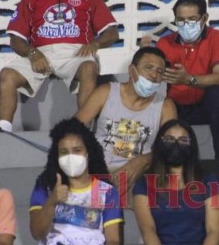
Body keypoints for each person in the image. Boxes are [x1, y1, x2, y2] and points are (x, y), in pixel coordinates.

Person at [0, 0, 119, 133]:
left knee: (89, 68)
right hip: (40, 53)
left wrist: (95, 43)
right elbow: (16, 39)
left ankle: (82, 129)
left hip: (75, 52)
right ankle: (3, 129)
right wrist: (33, 53)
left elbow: (111, 32)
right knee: (7, 74)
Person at [29, 118, 123, 245]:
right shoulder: (45, 187)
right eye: (64, 152)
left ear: (88, 152)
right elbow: (37, 232)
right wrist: (52, 200)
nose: (71, 156)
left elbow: (114, 243)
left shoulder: (105, 191)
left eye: (77, 150)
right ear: (56, 156)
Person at [132, 119, 219, 245]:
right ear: (159, 144)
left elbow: (214, 230)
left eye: (183, 140)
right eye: (169, 139)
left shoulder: (209, 181)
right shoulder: (144, 183)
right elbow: (147, 230)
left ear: (192, 146)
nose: (175, 144)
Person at [75, 46, 177, 206]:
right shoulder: (106, 92)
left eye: (160, 71)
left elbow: (171, 147)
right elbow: (73, 129)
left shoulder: (165, 106)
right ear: (132, 70)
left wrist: (142, 161)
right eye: (148, 68)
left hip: (137, 175)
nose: (154, 75)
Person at [149, 0, 219, 163]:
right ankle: (164, 165)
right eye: (180, 20)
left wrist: (188, 79)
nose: (186, 25)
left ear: (204, 18)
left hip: (208, 107)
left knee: (217, 93)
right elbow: (153, 76)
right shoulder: (165, 43)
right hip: (177, 107)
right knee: (157, 103)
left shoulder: (218, 38)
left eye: (192, 19)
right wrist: (146, 58)